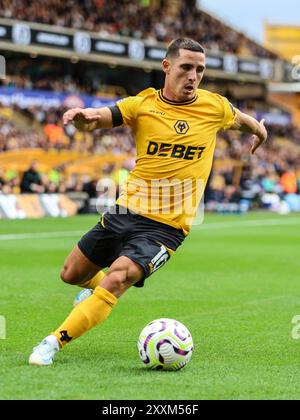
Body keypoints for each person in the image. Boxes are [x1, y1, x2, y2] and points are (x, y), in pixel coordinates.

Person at [29, 38, 267, 365]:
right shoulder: (142, 105)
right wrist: (84, 117)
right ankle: (94, 290)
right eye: (186, 67)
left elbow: (243, 121)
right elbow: (102, 115)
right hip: (126, 211)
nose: (193, 76)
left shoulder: (215, 106)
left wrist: (261, 133)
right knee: (71, 273)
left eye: (199, 69)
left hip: (167, 228)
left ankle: (53, 342)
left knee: (119, 277)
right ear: (167, 67)